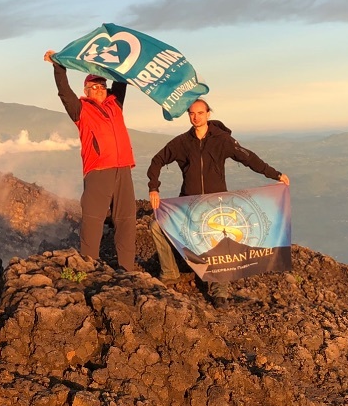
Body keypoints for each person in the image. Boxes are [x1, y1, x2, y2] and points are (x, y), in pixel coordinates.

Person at [147, 99, 289, 296]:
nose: (195, 117)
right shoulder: (181, 143)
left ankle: (219, 290)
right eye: (192, 113)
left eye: (200, 113)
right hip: (188, 203)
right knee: (157, 226)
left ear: (208, 114)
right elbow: (157, 160)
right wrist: (154, 188)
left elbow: (248, 158)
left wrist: (275, 174)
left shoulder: (222, 140)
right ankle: (170, 273)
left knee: (220, 240)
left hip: (216, 204)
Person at [44, 50, 138, 270]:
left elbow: (121, 80)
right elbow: (64, 92)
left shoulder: (116, 104)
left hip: (123, 169)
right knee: (92, 221)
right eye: (94, 86)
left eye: (102, 85)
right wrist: (58, 66)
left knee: (126, 221)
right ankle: (88, 268)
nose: (99, 89)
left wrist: (122, 56)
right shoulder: (80, 109)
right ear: (86, 90)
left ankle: (128, 269)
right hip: (98, 171)